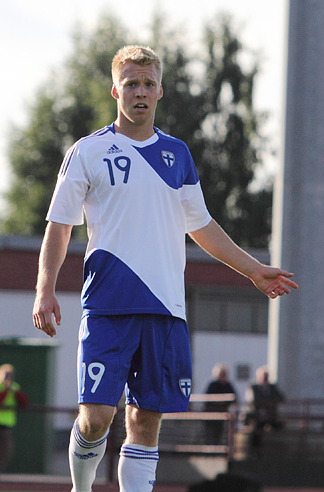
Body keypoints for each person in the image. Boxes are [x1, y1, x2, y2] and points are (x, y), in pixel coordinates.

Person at [31, 45, 298, 492]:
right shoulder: (87, 152)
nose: (140, 92)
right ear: (116, 89)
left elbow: (203, 226)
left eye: (148, 84)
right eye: (131, 83)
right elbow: (59, 229)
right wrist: (44, 289)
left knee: (146, 420)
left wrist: (252, 269)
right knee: (96, 419)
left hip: (165, 309)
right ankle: (81, 488)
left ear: (160, 91)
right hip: (108, 305)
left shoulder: (178, 155)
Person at [244, 365, 285, 457]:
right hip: (258, 417)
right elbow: (253, 400)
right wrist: (267, 402)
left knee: (281, 428)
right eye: (264, 377)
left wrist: (269, 404)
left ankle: (276, 454)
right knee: (255, 432)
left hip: (270, 416)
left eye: (267, 377)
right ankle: (254, 454)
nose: (265, 379)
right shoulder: (253, 387)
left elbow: (281, 398)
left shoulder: (272, 387)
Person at [203, 363, 237, 445]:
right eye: (221, 374)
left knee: (221, 435)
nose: (222, 376)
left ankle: (219, 451)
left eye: (224, 374)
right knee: (210, 435)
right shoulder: (212, 385)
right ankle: (210, 452)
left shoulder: (228, 385)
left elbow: (234, 397)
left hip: (223, 415)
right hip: (212, 415)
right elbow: (207, 399)